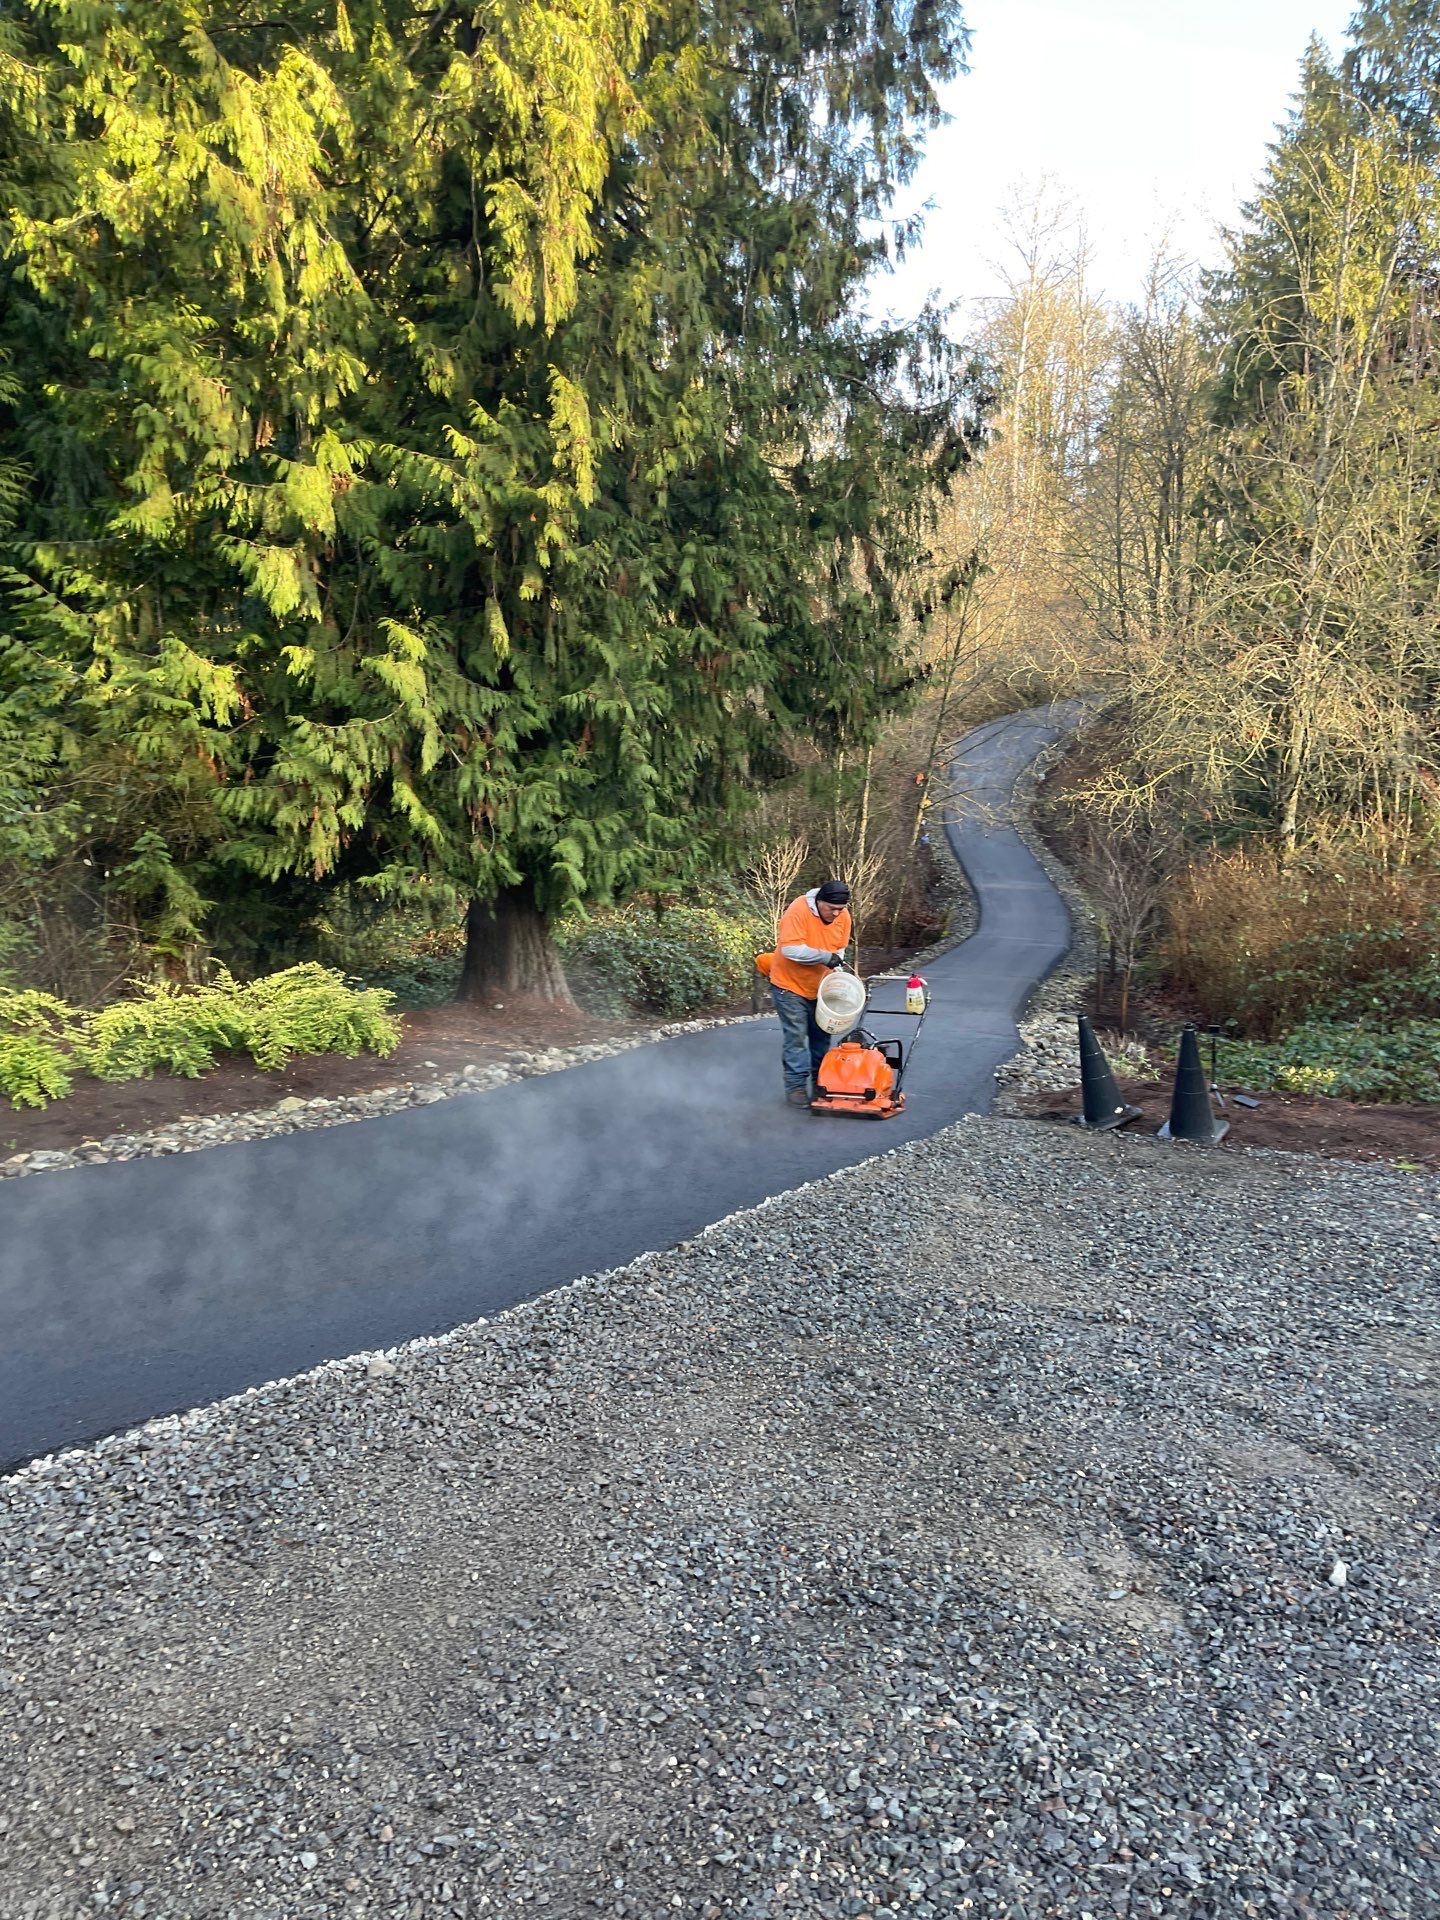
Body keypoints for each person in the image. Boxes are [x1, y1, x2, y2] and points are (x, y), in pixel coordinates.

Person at [765, 879, 853, 1106]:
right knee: (796, 1037)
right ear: (819, 901)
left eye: (840, 909)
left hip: (820, 987)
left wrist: (837, 972)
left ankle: (820, 1084)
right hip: (789, 985)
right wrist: (826, 957)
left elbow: (839, 951)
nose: (835, 914)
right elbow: (791, 949)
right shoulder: (799, 910)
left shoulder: (843, 917)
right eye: (830, 908)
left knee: (822, 1036)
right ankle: (795, 1087)